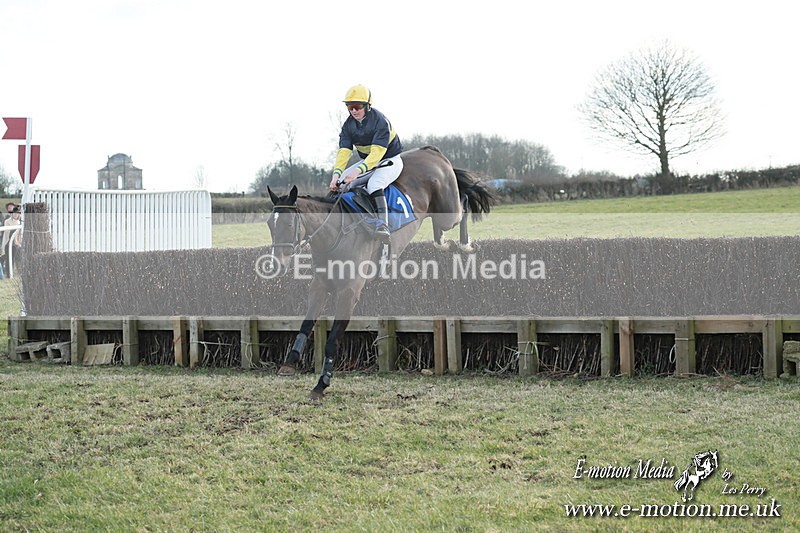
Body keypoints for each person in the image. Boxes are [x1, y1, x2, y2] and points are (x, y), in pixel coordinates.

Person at [328, 84, 403, 241]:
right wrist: (336, 176)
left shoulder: (381, 122)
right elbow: (344, 152)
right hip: (368, 161)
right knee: (342, 182)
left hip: (389, 160)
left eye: (357, 106)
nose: (353, 111)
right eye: (349, 107)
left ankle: (383, 225)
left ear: (368, 106)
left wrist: (356, 172)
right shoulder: (348, 125)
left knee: (375, 184)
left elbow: (377, 153)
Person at [2, 206, 22, 275]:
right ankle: (8, 273)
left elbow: (19, 234)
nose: (15, 214)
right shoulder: (7, 221)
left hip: (16, 243)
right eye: (14, 213)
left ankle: (13, 272)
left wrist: (19, 242)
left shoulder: (19, 222)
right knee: (8, 258)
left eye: (17, 213)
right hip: (8, 242)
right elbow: (8, 233)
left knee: (14, 258)